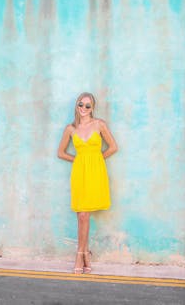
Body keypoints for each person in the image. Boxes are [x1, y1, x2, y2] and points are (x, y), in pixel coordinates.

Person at [57, 92, 118, 274]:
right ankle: (83, 253)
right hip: (79, 172)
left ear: (93, 108)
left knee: (85, 215)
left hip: (95, 172)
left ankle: (81, 253)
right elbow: (60, 152)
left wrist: (98, 160)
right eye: (80, 105)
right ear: (76, 106)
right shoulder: (70, 128)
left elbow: (113, 147)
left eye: (87, 106)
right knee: (81, 215)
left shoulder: (99, 125)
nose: (83, 108)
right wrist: (76, 159)